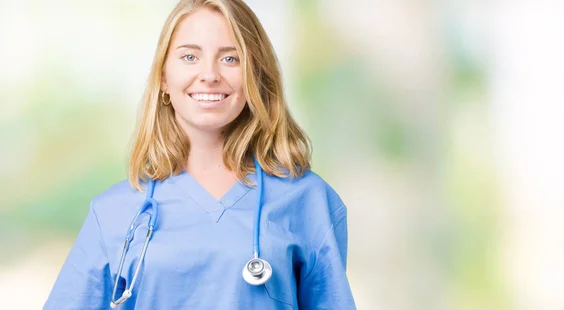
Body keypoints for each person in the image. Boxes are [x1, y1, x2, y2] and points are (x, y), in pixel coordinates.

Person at [43, 0, 356, 309]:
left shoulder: (307, 201)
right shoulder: (114, 213)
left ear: (255, 76)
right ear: (163, 78)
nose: (209, 74)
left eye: (230, 59)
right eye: (190, 56)